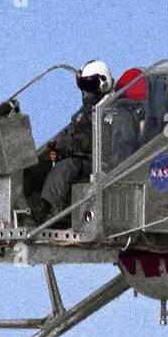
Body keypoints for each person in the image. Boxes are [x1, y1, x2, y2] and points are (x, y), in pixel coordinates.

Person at [35, 59, 114, 224]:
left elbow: (109, 146)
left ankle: (45, 208)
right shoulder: (83, 113)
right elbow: (69, 133)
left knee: (68, 164)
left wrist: (75, 152)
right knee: (38, 161)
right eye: (83, 86)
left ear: (103, 83)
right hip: (80, 158)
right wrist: (53, 147)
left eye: (89, 85)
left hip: (99, 165)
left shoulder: (113, 111)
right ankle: (15, 205)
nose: (85, 92)